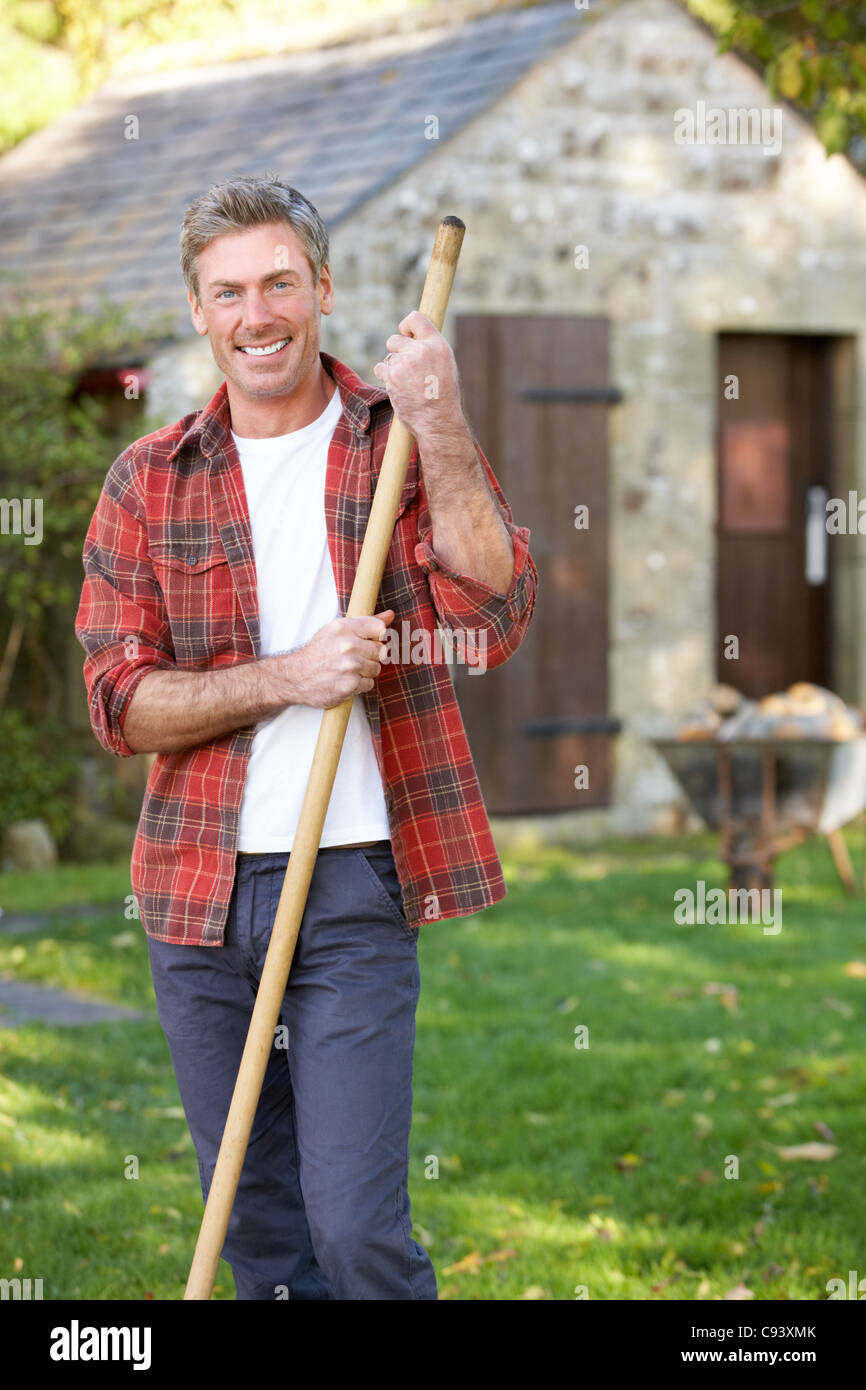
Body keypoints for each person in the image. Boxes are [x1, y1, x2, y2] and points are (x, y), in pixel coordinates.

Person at [75, 173, 537, 1300]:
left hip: (351, 888)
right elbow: (119, 702)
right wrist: (291, 677)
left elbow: (491, 614)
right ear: (198, 310)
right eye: (229, 292)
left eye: (280, 283)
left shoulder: (394, 442)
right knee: (260, 1234)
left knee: (355, 1230)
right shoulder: (149, 479)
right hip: (194, 890)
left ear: (321, 288)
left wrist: (440, 418)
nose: (258, 314)